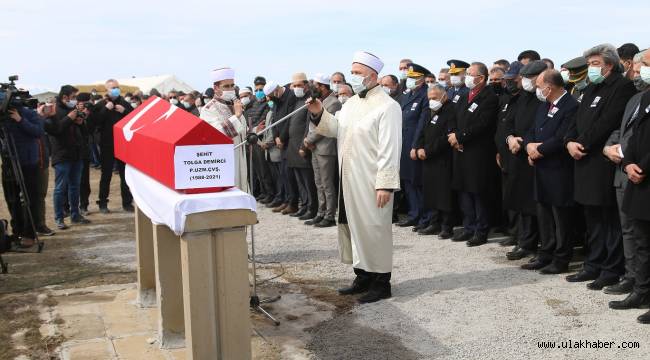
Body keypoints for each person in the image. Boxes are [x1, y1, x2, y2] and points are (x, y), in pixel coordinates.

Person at [307, 51, 401, 303]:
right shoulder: (350, 105)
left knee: (374, 228)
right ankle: (362, 276)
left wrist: (386, 184)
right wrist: (318, 113)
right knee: (353, 226)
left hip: (372, 180)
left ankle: (381, 282)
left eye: (358, 73)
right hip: (348, 177)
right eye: (352, 72)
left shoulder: (388, 106)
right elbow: (337, 128)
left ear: (373, 76)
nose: (353, 77)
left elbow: (390, 148)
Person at [564, 44, 636, 290]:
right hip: (582, 160)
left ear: (609, 64)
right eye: (590, 64)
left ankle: (611, 268)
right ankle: (592, 264)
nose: (591, 68)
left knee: (608, 219)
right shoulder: (591, 87)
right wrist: (569, 142)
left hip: (602, 162)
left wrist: (581, 143)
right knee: (591, 217)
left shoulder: (622, 86)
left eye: (595, 64)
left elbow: (608, 122)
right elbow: (576, 120)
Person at [603, 49, 650, 296]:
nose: (636, 70)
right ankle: (633, 278)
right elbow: (621, 131)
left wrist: (637, 163)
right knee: (630, 231)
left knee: (643, 235)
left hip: (642, 173)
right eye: (638, 66)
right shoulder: (637, 99)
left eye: (643, 65)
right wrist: (609, 148)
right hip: (624, 170)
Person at [522, 69, 579, 274]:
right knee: (544, 214)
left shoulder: (571, 105)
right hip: (541, 168)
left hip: (559, 169)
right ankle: (545, 253)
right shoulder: (543, 105)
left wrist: (539, 150)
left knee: (561, 217)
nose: (537, 89)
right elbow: (531, 130)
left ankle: (561, 258)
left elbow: (563, 136)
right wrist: (529, 146)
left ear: (550, 86)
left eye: (539, 86)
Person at [448, 62, 500, 247]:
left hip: (478, 152)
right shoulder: (463, 96)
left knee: (478, 192)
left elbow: (483, 124)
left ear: (481, 78)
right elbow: (453, 119)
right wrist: (453, 136)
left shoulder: (490, 98)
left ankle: (481, 230)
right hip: (460, 151)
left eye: (470, 74)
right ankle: (468, 227)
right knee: (463, 191)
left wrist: (460, 137)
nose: (467, 77)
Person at [503, 60, 546, 262]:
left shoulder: (542, 98)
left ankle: (535, 243)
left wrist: (524, 142)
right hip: (517, 154)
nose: (525, 82)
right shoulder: (522, 98)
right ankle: (524, 241)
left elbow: (540, 126)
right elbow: (509, 122)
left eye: (529, 78)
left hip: (534, 154)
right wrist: (510, 137)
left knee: (534, 204)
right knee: (521, 201)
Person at [615, 89, 650, 323]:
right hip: (639, 179)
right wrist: (628, 163)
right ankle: (642, 291)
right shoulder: (646, 97)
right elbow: (635, 134)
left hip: (645, 173)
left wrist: (643, 167)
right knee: (642, 242)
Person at [0, 98, 44, 248]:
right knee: (12, 200)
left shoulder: (28, 113)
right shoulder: (2, 118)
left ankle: (29, 234)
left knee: (31, 199)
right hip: (8, 163)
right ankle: (17, 231)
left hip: (28, 163)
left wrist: (20, 120)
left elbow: (38, 132)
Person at [47, 85, 92, 230]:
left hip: (76, 154)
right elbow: (56, 130)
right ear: (65, 97)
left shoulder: (71, 110)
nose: (75, 100)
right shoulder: (55, 111)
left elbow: (84, 131)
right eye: (73, 97)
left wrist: (81, 121)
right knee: (60, 188)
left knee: (75, 186)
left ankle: (75, 215)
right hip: (62, 155)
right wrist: (69, 118)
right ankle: (59, 218)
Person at [415, 84, 456, 239]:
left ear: (444, 96)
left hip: (442, 158)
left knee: (444, 194)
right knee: (431, 192)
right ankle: (434, 222)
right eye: (430, 98)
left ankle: (447, 226)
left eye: (435, 98)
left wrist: (428, 150)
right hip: (427, 158)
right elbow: (421, 131)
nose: (432, 101)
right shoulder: (427, 111)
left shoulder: (451, 109)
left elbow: (447, 136)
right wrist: (419, 147)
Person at [200, 67, 248, 191]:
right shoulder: (208, 109)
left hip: (240, 157)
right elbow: (216, 134)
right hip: (223, 161)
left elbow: (243, 131)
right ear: (216, 88)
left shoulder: (235, 105)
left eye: (232, 85)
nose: (231, 89)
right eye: (226, 86)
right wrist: (236, 116)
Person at [304, 73, 341, 227]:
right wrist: (308, 141)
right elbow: (311, 124)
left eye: (317, 85)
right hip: (315, 148)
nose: (314, 88)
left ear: (323, 87)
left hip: (326, 147)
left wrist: (309, 140)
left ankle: (330, 215)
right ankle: (321, 212)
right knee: (318, 182)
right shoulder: (321, 101)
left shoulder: (333, 103)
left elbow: (324, 127)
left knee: (327, 183)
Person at [494, 61, 524, 247]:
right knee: (509, 195)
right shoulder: (506, 98)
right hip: (503, 153)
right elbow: (501, 126)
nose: (508, 83)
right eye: (507, 79)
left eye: (512, 79)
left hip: (517, 153)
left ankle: (522, 235)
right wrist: (499, 150)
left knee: (518, 195)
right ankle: (513, 231)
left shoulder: (525, 98)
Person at [398, 63, 431, 232]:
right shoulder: (407, 94)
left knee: (418, 181)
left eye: (414, 77)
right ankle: (414, 214)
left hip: (415, 144)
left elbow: (422, 123)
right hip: (403, 143)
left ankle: (425, 217)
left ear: (422, 79)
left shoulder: (425, 95)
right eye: (409, 77)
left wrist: (416, 145)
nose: (410, 80)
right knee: (407, 181)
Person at [280, 72, 317, 220]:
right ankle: (305, 205)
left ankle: (312, 208)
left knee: (308, 181)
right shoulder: (296, 101)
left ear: (306, 85)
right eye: (294, 86)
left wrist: (304, 146)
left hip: (302, 148)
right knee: (300, 181)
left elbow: (309, 125)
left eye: (299, 85)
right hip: (292, 147)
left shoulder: (310, 101)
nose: (296, 88)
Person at [93, 79, 134, 213]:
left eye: (117, 87)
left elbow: (135, 120)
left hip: (123, 145)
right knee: (106, 175)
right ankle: (103, 203)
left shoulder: (125, 104)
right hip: (107, 145)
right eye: (112, 88)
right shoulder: (100, 105)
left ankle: (127, 203)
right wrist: (106, 109)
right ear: (107, 90)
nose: (115, 89)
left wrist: (125, 112)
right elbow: (94, 122)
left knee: (125, 175)